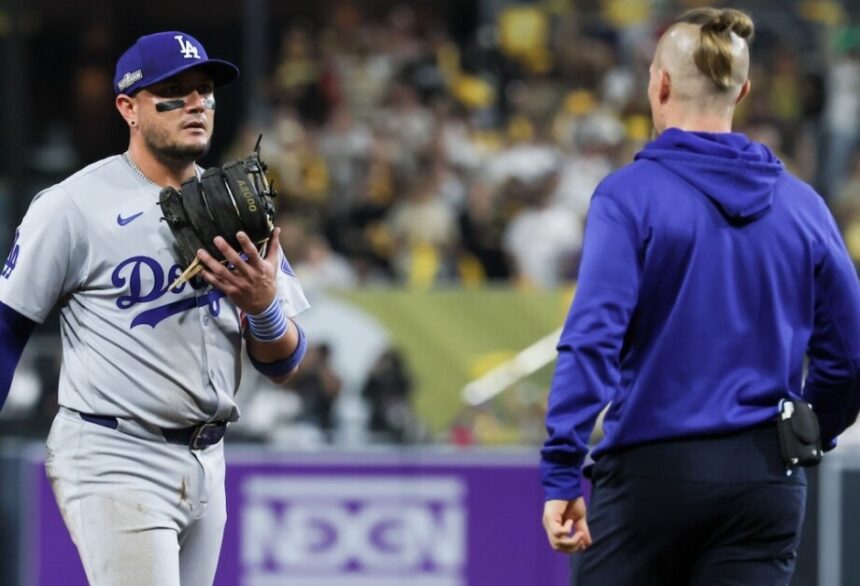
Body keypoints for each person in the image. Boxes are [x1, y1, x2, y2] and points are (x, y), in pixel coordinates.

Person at [540, 8, 860, 585]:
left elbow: (592, 340)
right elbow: (850, 355)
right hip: (766, 479)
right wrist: (811, 431)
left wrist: (562, 469)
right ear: (743, 90)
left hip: (651, 477)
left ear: (658, 84)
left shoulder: (628, 197)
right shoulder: (804, 206)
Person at [0, 31, 309, 585]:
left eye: (205, 91)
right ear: (129, 107)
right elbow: (7, 324)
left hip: (207, 458)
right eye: (175, 91)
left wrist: (263, 308)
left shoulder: (239, 204)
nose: (196, 103)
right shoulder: (73, 206)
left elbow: (284, 363)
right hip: (114, 451)